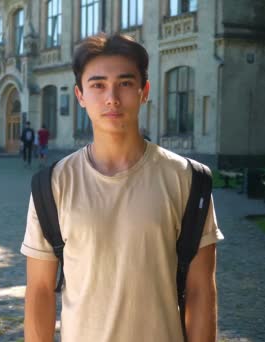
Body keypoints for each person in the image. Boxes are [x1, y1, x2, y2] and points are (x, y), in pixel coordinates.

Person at [21, 32, 224, 342]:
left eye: (125, 84)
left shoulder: (187, 180)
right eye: (98, 85)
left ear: (145, 91)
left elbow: (201, 290)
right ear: (80, 95)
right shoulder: (52, 185)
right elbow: (39, 292)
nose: (112, 98)